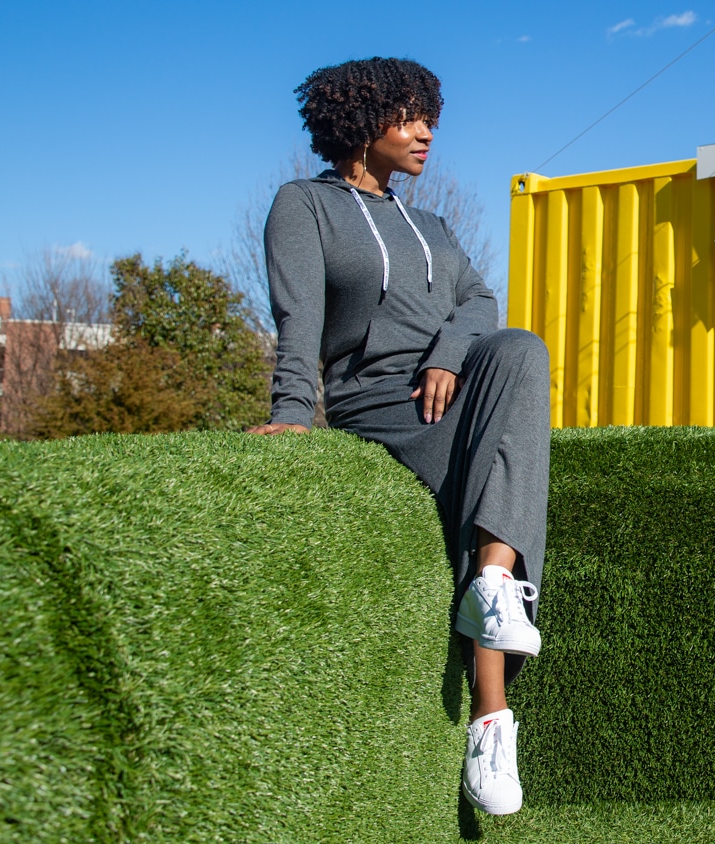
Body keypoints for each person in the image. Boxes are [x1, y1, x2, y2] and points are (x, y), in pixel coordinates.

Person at [246, 57, 549, 817]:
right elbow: (300, 318)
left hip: (453, 385)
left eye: (430, 118)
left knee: (521, 349)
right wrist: (290, 412)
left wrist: (450, 353)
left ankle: (491, 600)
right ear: (360, 120)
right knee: (494, 470)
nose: (426, 133)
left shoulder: (433, 224)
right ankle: (491, 715)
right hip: (377, 399)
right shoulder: (302, 206)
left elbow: (481, 301)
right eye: (410, 117)